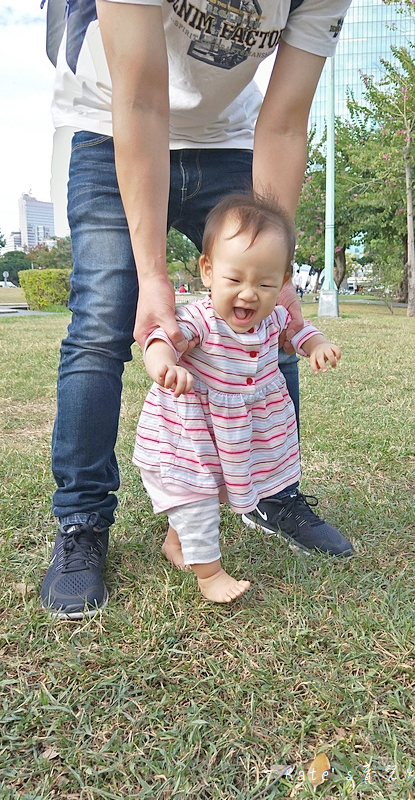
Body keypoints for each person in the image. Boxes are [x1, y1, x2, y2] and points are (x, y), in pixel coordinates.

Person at [41, 0, 354, 619]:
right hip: (114, 123)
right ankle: (82, 523)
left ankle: (273, 493)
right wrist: (154, 277)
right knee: (102, 322)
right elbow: (142, 99)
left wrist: (277, 270)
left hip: (228, 137)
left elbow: (286, 123)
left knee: (267, 314)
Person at [135, 193, 350, 603]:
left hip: (237, 435)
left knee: (211, 490)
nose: (249, 294)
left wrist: (318, 344)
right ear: (208, 271)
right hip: (190, 432)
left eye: (265, 283)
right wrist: (165, 365)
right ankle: (210, 574)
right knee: (196, 497)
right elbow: (159, 338)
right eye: (235, 280)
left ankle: (175, 544)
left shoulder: (275, 316)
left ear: (284, 282)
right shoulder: (200, 318)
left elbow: (298, 334)